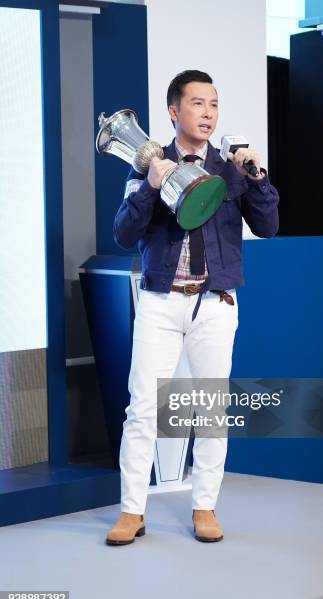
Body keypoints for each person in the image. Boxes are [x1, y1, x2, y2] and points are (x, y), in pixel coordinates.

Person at [106, 69, 279, 546]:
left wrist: (256, 176)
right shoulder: (148, 163)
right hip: (161, 302)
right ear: (174, 111)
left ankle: (204, 507)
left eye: (214, 105)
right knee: (143, 409)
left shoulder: (230, 169)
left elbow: (268, 226)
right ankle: (132, 511)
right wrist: (150, 185)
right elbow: (122, 234)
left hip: (214, 303)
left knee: (210, 411)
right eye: (198, 104)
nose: (208, 113)